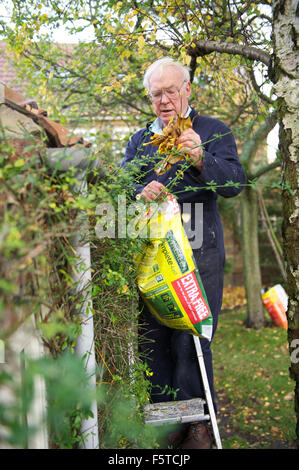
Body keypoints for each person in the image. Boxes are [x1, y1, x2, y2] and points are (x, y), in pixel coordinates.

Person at [121, 57, 246, 449]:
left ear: (187, 90)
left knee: (192, 339)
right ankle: (165, 424)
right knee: (153, 339)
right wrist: (138, 193)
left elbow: (234, 183)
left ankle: (198, 425)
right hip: (154, 257)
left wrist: (200, 158)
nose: (164, 100)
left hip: (199, 252)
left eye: (171, 91)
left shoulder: (212, 130)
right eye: (156, 93)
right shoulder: (140, 141)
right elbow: (122, 187)